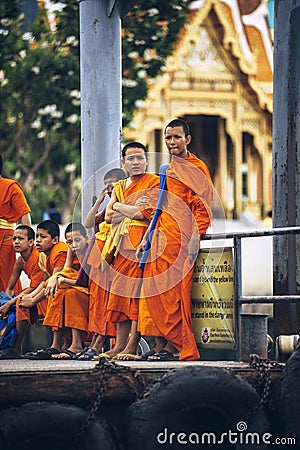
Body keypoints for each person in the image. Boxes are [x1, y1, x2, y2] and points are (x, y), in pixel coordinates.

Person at [137, 119, 214, 361]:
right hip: (162, 234)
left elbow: (202, 205)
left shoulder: (196, 167)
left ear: (187, 140)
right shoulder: (167, 169)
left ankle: (176, 346)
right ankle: (162, 345)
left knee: (173, 293)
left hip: (182, 235)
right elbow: (161, 206)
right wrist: (147, 236)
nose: (172, 142)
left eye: (177, 137)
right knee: (155, 290)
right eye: (168, 138)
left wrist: (196, 235)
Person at [93, 142, 159, 361]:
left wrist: (121, 206)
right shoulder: (120, 186)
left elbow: (144, 214)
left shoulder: (154, 182)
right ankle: (118, 345)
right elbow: (108, 216)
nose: (136, 162)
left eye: (140, 158)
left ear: (146, 160)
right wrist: (125, 206)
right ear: (123, 162)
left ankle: (131, 345)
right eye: (131, 159)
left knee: (135, 297)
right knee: (119, 297)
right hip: (120, 246)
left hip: (140, 245)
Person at [77, 168, 127, 360]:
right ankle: (95, 341)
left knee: (107, 303)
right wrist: (99, 200)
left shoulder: (123, 207)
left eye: (112, 185)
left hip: (111, 259)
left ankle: (99, 344)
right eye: (106, 186)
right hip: (97, 260)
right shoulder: (108, 207)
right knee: (96, 302)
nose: (109, 189)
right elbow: (89, 223)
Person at [20, 220, 68, 359]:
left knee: (55, 294)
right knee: (30, 301)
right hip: (55, 286)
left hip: (68, 286)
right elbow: (45, 281)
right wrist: (32, 298)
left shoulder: (60, 251)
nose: (38, 241)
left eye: (43, 237)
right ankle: (17, 347)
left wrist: (33, 299)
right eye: (37, 237)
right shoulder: (43, 256)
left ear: (55, 239)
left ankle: (56, 345)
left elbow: (56, 279)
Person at [43, 222, 90, 359]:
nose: (73, 245)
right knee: (57, 291)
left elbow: (85, 282)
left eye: (77, 240)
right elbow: (67, 270)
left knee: (70, 293)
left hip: (90, 290)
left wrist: (61, 279)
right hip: (78, 286)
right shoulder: (72, 249)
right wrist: (56, 278)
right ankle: (56, 344)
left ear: (86, 239)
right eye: (69, 242)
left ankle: (76, 344)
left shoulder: (91, 251)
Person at [0, 225, 45, 359]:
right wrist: (6, 302)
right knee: (8, 304)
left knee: (21, 302)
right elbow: (9, 287)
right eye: (14, 239)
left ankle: (16, 348)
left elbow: (34, 287)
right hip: (33, 292)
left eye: (20, 238)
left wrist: (9, 304)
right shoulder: (20, 261)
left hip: (41, 294)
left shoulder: (38, 257)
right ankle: (7, 345)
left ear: (31, 242)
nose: (16, 242)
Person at [0, 154, 31, 293]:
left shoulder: (11, 187)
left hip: (5, 238)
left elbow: (25, 215)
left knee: (6, 275)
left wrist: (27, 243)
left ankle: (9, 307)